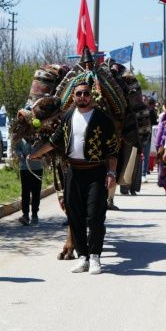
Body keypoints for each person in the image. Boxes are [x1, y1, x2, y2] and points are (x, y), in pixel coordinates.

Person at [31, 75, 121, 275]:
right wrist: (36, 153)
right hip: (73, 172)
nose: (82, 97)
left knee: (95, 216)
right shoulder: (68, 117)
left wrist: (112, 172)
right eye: (78, 94)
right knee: (74, 216)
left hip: (96, 172)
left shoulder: (102, 119)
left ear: (91, 96)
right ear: (73, 97)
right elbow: (55, 141)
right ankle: (83, 257)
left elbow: (112, 151)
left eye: (86, 93)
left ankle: (95, 256)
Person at [13, 128, 43, 226]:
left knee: (36, 191)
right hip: (24, 168)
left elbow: (44, 149)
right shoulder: (20, 139)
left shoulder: (38, 138)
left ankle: (35, 214)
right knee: (25, 191)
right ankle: (25, 215)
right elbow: (16, 149)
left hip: (37, 167)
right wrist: (20, 154)